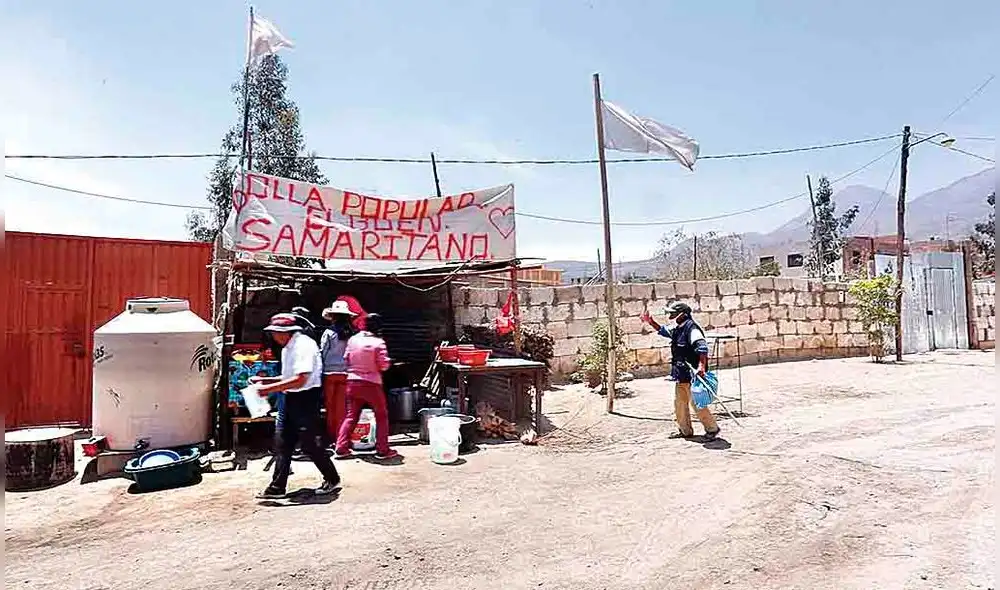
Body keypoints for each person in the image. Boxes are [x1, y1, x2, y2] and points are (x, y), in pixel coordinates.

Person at [251, 313, 341, 499]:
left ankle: (332, 478)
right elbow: (289, 377)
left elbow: (301, 380)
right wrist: (266, 380)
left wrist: (268, 389)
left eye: (275, 332)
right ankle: (277, 488)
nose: (273, 337)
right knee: (283, 443)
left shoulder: (303, 346)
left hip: (306, 399)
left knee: (309, 444)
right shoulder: (287, 348)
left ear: (285, 332)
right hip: (291, 397)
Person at [641, 301, 721, 440]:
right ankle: (685, 431)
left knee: (697, 403)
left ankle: (712, 429)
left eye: (673, 313)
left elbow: (702, 348)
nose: (671, 315)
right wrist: (650, 321)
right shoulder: (678, 328)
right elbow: (663, 331)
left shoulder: (692, 328)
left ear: (682, 315)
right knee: (680, 403)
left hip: (693, 374)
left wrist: (701, 367)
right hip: (681, 373)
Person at [335, 313, 399, 460]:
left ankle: (341, 448)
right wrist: (388, 362)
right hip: (371, 384)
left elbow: (346, 358)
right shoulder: (378, 343)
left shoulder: (353, 340)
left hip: (352, 382)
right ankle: (383, 450)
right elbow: (383, 366)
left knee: (351, 416)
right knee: (381, 416)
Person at [319, 300, 357, 441]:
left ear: (333, 316)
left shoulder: (328, 332)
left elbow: (323, 352)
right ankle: (341, 438)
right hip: (346, 374)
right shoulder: (352, 333)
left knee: (330, 407)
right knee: (342, 408)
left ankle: (331, 436)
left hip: (330, 374)